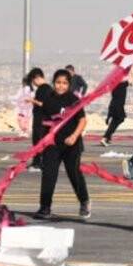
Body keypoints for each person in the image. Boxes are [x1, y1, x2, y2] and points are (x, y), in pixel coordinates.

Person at [35, 69, 90, 221]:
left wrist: (74, 136)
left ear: (69, 84)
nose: (61, 86)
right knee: (49, 174)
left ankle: (84, 201)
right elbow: (44, 122)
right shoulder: (48, 99)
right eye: (58, 83)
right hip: (52, 144)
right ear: (54, 83)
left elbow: (82, 120)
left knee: (74, 173)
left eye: (64, 83)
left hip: (71, 144)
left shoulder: (74, 100)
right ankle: (45, 206)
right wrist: (42, 142)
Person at [27, 68, 51, 170]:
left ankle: (38, 163)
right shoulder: (48, 88)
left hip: (40, 119)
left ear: (36, 78)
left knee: (38, 141)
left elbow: (43, 104)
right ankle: (38, 162)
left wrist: (32, 100)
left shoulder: (43, 88)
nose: (34, 84)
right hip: (43, 119)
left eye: (33, 82)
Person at [101, 74, 129, 147]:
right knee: (118, 120)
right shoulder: (122, 84)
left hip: (114, 105)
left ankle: (108, 138)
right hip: (118, 106)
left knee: (117, 120)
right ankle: (105, 137)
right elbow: (131, 80)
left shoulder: (114, 86)